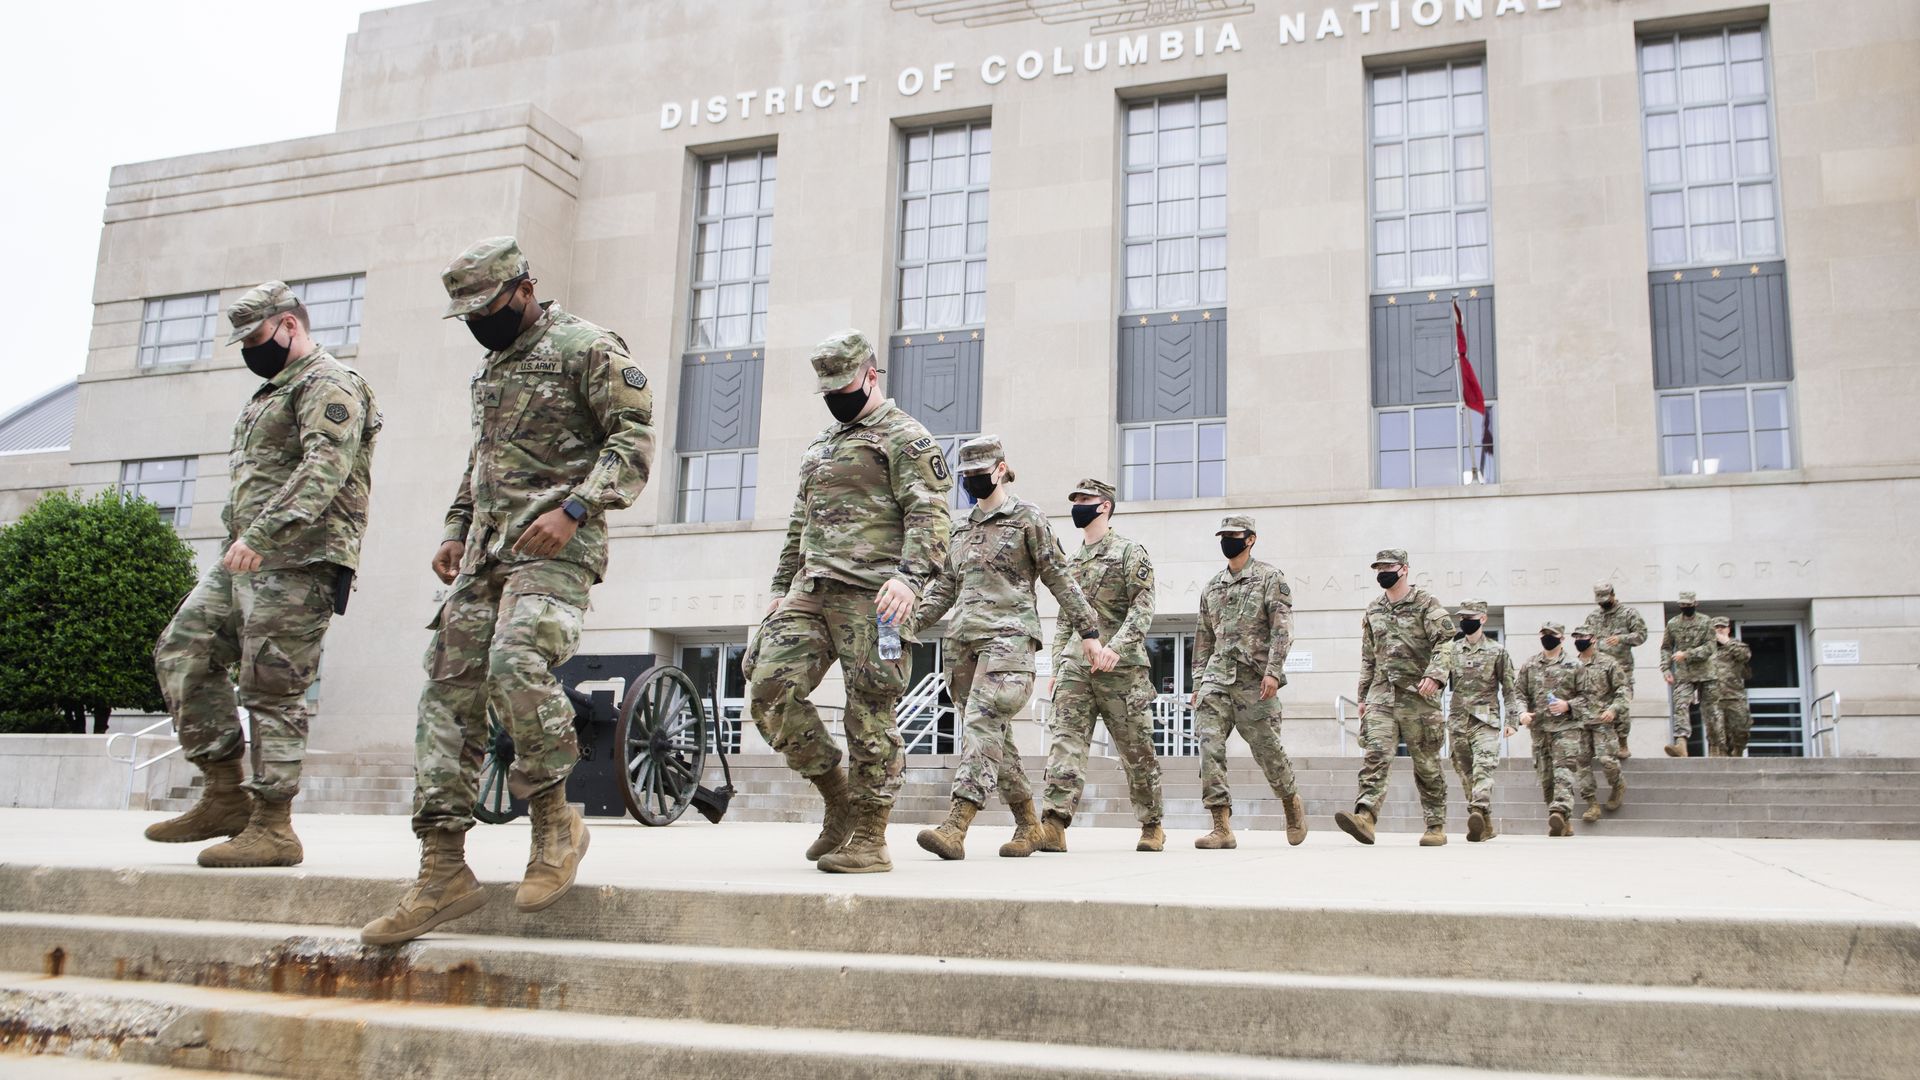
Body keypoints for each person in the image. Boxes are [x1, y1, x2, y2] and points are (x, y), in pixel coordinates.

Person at [363, 237, 654, 945]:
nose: (476, 321)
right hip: (487, 554)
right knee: (446, 692)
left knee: (515, 665)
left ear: (524, 288)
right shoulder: (491, 369)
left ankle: (555, 826)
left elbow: (634, 440)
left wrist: (575, 509)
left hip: (558, 549)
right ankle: (441, 871)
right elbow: (482, 463)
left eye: (486, 307)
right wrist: (455, 528)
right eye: (465, 313)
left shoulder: (587, 346)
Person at [148, 282, 380, 869]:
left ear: (289, 326)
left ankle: (274, 826)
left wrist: (262, 535)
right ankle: (224, 794)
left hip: (297, 557)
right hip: (245, 558)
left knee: (272, 686)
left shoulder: (330, 383)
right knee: (184, 650)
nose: (250, 349)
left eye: (256, 338)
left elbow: (325, 466)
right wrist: (241, 540)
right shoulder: (269, 393)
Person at [746, 330, 953, 874]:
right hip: (810, 590)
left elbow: (932, 516)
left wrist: (910, 579)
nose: (838, 396)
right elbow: (799, 522)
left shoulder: (906, 437)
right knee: (770, 687)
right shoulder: (821, 444)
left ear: (871, 375)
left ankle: (870, 836)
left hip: (875, 595)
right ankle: (837, 797)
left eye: (845, 385)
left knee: (870, 712)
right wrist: (778, 589)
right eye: (828, 389)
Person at [912, 437, 1111, 861]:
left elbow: (1060, 577)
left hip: (1011, 643)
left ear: (1001, 469)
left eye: (979, 474)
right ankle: (1028, 824)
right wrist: (905, 624)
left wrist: (1089, 633)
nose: (973, 481)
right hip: (963, 646)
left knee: (983, 724)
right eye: (966, 476)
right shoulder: (961, 529)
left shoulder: (1027, 519)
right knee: (994, 735)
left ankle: (956, 825)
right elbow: (945, 588)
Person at [1037, 479, 1165, 853]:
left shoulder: (1129, 552)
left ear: (1104, 506)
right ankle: (1054, 823)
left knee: (1136, 749)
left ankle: (1151, 824)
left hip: (1121, 671)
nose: (1078, 505)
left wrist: (1118, 648)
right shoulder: (1070, 562)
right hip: (1077, 666)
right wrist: (1058, 665)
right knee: (1066, 742)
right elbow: (1065, 618)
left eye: (1085, 499)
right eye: (1074, 499)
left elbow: (1143, 607)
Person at [1187, 515, 1307, 850]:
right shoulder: (1212, 586)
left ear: (1250, 539)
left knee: (1268, 750)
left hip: (1255, 679)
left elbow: (1282, 629)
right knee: (1209, 746)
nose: (1227, 540)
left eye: (1234, 535)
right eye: (1223, 535)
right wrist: (1198, 683)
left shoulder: (1270, 578)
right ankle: (1220, 825)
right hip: (1216, 678)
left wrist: (1273, 670)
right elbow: (1203, 639)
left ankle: (1290, 802)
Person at [1335, 550, 1453, 846]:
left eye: (1389, 567)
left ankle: (1435, 825)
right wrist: (1362, 696)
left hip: (1419, 697)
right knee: (1375, 754)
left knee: (1426, 763)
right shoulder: (1374, 609)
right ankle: (1365, 816)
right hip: (1381, 695)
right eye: (1379, 568)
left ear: (1405, 570)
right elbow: (1368, 657)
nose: (1383, 572)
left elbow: (1445, 642)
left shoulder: (1427, 604)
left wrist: (1435, 674)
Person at [1443, 599, 1518, 843]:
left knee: (1483, 766)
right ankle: (1484, 823)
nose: (1465, 621)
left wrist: (1512, 720)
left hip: (1485, 719)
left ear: (1483, 619)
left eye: (1471, 617)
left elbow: (1509, 689)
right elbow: (1438, 682)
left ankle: (1477, 810)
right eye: (1462, 617)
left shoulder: (1498, 651)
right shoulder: (1451, 650)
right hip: (1458, 720)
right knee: (1465, 773)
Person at [1515, 620, 1584, 836]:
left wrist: (1567, 705)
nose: (1547, 637)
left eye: (1551, 634)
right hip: (1539, 729)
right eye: (1544, 634)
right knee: (1546, 776)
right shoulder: (1530, 664)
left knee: (1562, 772)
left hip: (1566, 728)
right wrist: (1522, 712)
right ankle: (1562, 821)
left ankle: (1560, 811)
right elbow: (1519, 693)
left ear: (1562, 638)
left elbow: (1589, 698)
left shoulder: (1575, 666)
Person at [1570, 620, 1629, 823]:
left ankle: (1618, 784)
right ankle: (1592, 804)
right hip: (1578, 722)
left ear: (1593, 639)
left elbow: (1623, 691)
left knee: (1607, 760)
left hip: (1602, 720)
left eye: (1583, 638)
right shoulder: (1571, 664)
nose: (1579, 641)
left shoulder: (1608, 663)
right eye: (1576, 638)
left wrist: (1613, 709)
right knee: (1581, 763)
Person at [1585, 582, 1646, 758]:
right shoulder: (1593, 617)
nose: (1603, 603)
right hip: (1598, 670)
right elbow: (1584, 637)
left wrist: (1622, 638)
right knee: (1596, 706)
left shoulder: (1629, 614)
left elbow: (1641, 635)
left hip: (1622, 669)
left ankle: (1622, 743)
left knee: (1621, 706)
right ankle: (1599, 745)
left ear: (1613, 594)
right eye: (1600, 600)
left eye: (1606, 598)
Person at [1659, 590, 1715, 756]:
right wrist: (1666, 669)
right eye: (1683, 605)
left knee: (1711, 711)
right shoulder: (1673, 623)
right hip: (1684, 674)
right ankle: (1681, 743)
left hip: (1706, 673)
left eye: (1689, 605)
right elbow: (1666, 647)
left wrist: (1687, 654)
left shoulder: (1705, 622)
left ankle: (1716, 747)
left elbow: (1710, 647)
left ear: (1695, 604)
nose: (1686, 607)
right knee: (1680, 704)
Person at [1705, 617, 1753, 757]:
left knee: (1742, 730)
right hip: (1713, 698)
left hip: (1734, 697)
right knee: (1716, 735)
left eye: (1723, 627)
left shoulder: (1737, 646)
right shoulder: (1706, 648)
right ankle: (1720, 763)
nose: (1719, 629)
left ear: (1728, 629)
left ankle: (1737, 751)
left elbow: (1744, 656)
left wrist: (1725, 641)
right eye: (1716, 627)